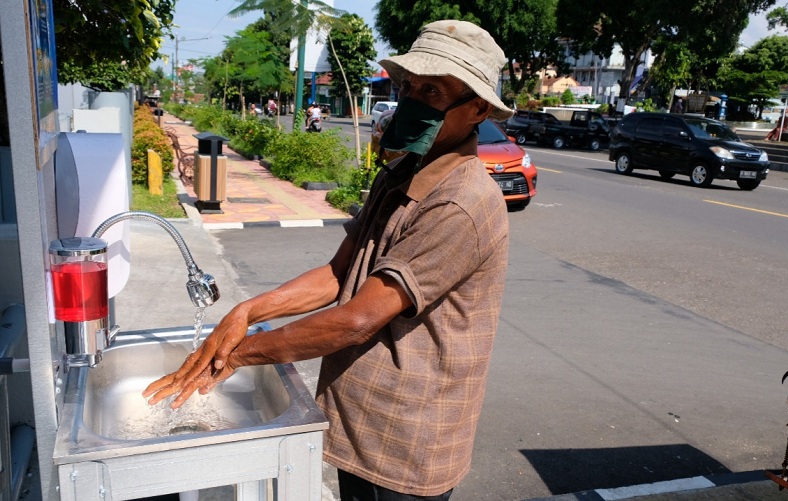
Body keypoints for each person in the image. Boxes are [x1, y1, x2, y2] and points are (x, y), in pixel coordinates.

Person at [143, 19, 513, 501]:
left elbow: (358, 319)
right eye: (408, 87)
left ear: (478, 108)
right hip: (362, 424)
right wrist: (247, 312)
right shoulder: (402, 174)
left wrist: (234, 356)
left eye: (433, 92)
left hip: (406, 439)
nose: (412, 100)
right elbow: (341, 274)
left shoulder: (462, 202)